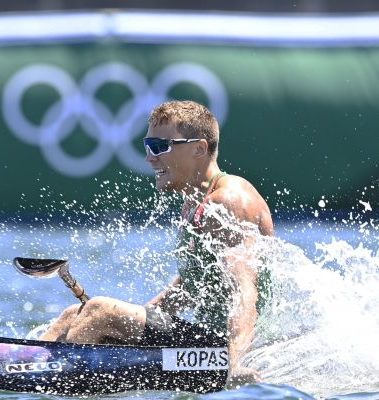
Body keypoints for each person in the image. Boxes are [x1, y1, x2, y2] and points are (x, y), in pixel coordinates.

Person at [40, 100, 274, 386]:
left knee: (99, 309)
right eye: (148, 145)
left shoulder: (228, 201)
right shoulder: (194, 202)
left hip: (223, 353)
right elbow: (192, 285)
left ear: (199, 148)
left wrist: (232, 364)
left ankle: (55, 382)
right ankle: (28, 364)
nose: (151, 158)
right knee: (73, 314)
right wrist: (133, 321)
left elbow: (245, 294)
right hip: (207, 344)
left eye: (160, 146)